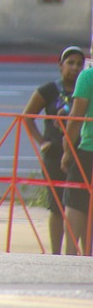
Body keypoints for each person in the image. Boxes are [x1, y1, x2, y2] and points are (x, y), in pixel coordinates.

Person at [22, 45, 84, 254]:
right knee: (57, 205)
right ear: (60, 65)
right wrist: (42, 141)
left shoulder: (84, 88)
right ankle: (56, 253)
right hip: (55, 153)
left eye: (79, 64)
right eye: (70, 63)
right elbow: (28, 116)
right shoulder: (49, 90)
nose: (74, 68)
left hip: (80, 151)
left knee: (80, 204)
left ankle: (82, 251)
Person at [63, 54, 93, 255]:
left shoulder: (87, 77)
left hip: (88, 149)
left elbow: (75, 117)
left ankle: (72, 256)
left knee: (76, 201)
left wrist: (67, 150)